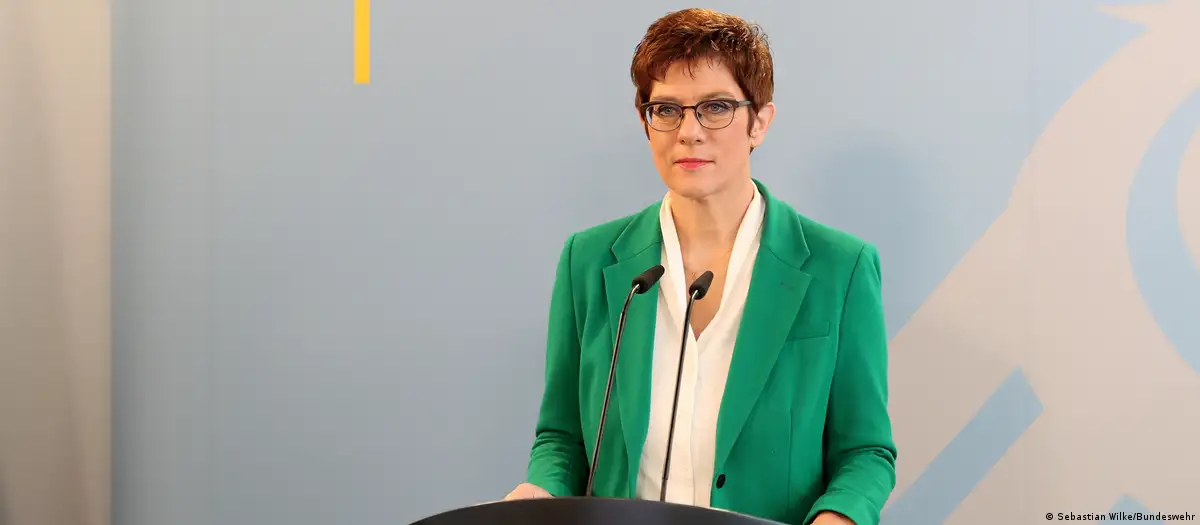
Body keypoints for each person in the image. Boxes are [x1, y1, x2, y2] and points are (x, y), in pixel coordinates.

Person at [504, 8, 896, 525]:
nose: (688, 132)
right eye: (666, 109)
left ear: (760, 121)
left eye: (715, 107)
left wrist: (839, 517)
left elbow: (865, 453)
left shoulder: (840, 268)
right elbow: (563, 439)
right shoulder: (589, 259)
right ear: (645, 123)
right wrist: (541, 490)